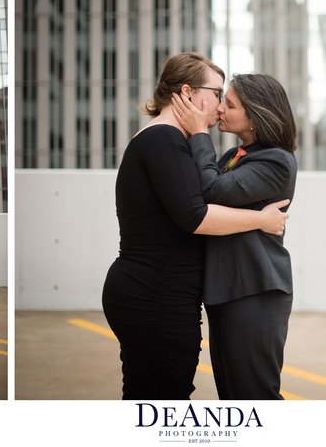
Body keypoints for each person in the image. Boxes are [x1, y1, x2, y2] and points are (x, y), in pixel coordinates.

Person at [101, 52, 291, 400]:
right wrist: (262, 220)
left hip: (181, 291)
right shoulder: (164, 140)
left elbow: (201, 200)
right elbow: (196, 214)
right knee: (160, 398)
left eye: (226, 99)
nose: (219, 106)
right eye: (218, 93)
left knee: (173, 395)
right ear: (188, 92)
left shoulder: (174, 142)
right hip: (155, 290)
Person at [171, 74, 297, 400]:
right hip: (227, 292)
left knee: (255, 396)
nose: (220, 109)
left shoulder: (277, 161)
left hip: (255, 291)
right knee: (232, 395)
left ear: (255, 115)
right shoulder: (233, 158)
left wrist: (199, 132)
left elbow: (211, 190)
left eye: (229, 104)